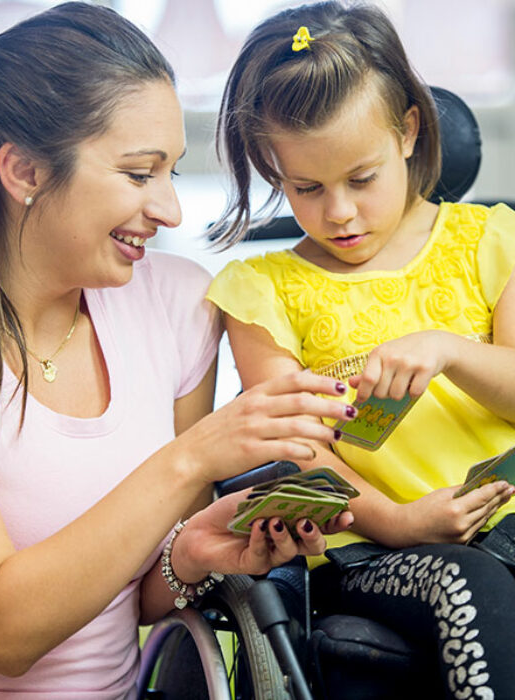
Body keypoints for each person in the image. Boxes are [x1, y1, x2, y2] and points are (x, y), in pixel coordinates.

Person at [0, 3, 360, 698]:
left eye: (173, 173)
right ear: (25, 170)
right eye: (138, 173)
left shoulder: (177, 306)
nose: (171, 211)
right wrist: (195, 456)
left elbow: (139, 597)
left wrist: (194, 552)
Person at [207, 1, 515, 696]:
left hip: (507, 515)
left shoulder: (494, 241)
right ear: (270, 166)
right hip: (369, 550)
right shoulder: (261, 290)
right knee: (465, 580)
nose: (338, 212)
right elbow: (297, 452)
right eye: (305, 188)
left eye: (361, 179)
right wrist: (403, 522)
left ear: (408, 130)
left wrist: (450, 350)